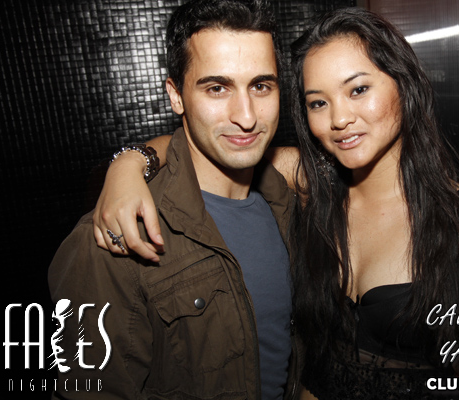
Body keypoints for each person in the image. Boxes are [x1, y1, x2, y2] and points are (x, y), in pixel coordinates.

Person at [93, 7, 459, 400]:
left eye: (358, 89)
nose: (339, 118)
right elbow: (204, 143)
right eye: (318, 102)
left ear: (404, 83)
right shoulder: (308, 183)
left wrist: (127, 164)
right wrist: (129, 164)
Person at [48, 1, 299, 399]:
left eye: (260, 86)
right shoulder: (116, 237)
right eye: (217, 88)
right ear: (176, 95)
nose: (247, 116)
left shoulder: (288, 204)